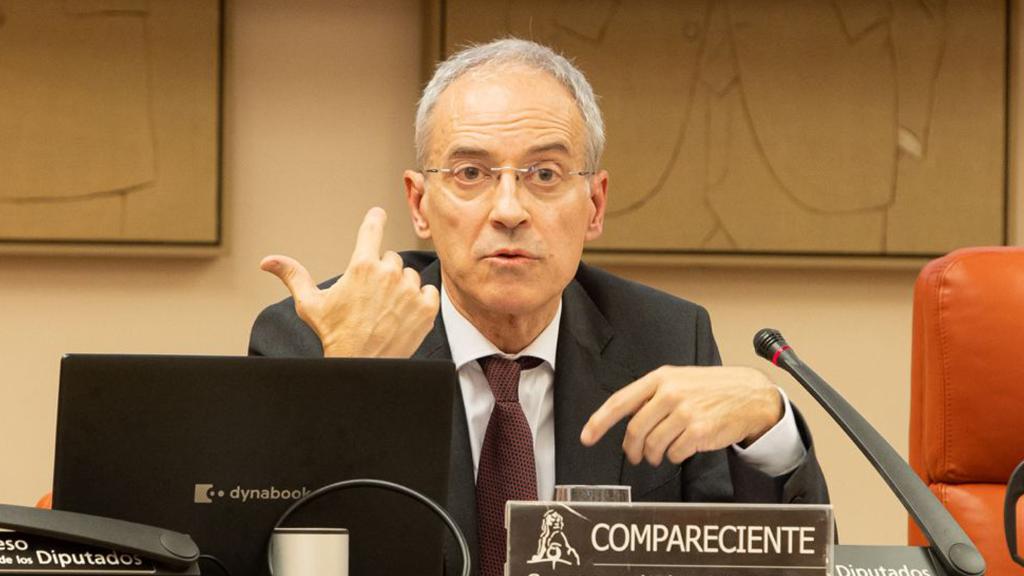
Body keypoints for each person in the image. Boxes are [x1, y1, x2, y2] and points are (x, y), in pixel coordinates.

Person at [249, 38, 829, 576]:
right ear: (419, 204)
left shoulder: (667, 340)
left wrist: (769, 425)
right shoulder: (314, 339)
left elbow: (772, 564)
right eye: (471, 173)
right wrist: (350, 383)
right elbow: (255, 555)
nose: (509, 209)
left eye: (545, 174)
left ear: (595, 205)